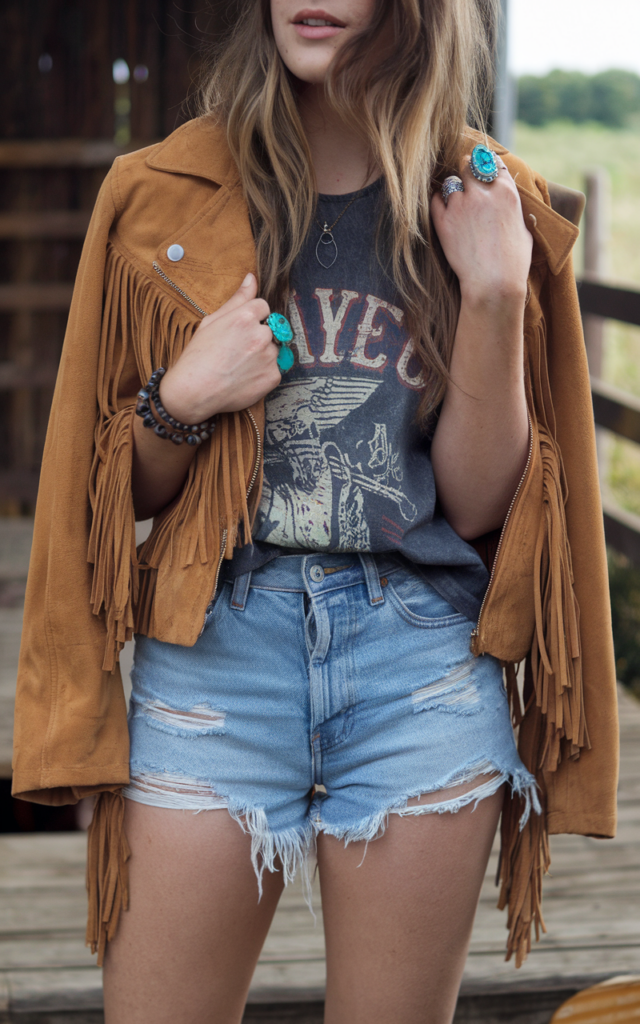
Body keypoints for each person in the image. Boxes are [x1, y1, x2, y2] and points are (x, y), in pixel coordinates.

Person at [12, 2, 618, 1024]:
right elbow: (113, 494)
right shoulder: (160, 193)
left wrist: (492, 298)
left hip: (418, 670)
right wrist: (182, 398)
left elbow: (477, 504)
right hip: (216, 655)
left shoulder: (486, 203)